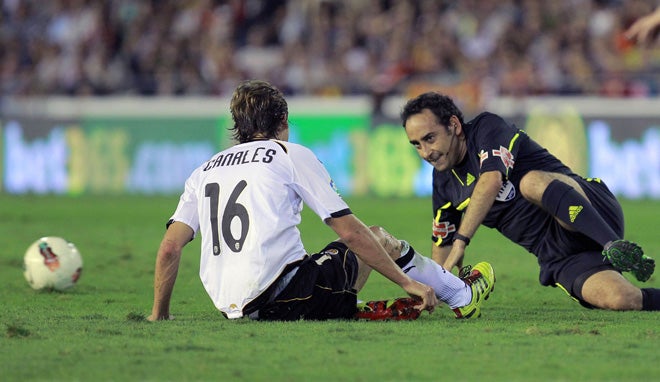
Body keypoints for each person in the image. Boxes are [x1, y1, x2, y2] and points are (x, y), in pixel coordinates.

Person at [148, 80, 494, 322]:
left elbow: (168, 249)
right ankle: (462, 297)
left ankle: (344, 305)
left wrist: (159, 313)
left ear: (237, 126)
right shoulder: (287, 154)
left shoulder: (204, 170)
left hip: (231, 308)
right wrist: (407, 282)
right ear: (283, 122)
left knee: (330, 262)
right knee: (376, 236)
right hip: (286, 295)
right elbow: (351, 234)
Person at [400, 92, 659, 311]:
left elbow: (491, 180)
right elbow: (441, 245)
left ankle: (615, 245)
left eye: (429, 138)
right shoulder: (443, 183)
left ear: (454, 126)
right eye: (416, 145)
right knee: (622, 299)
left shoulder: (486, 129)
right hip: (560, 255)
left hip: (589, 211)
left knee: (530, 182)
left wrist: (462, 240)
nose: (426, 152)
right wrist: (434, 290)